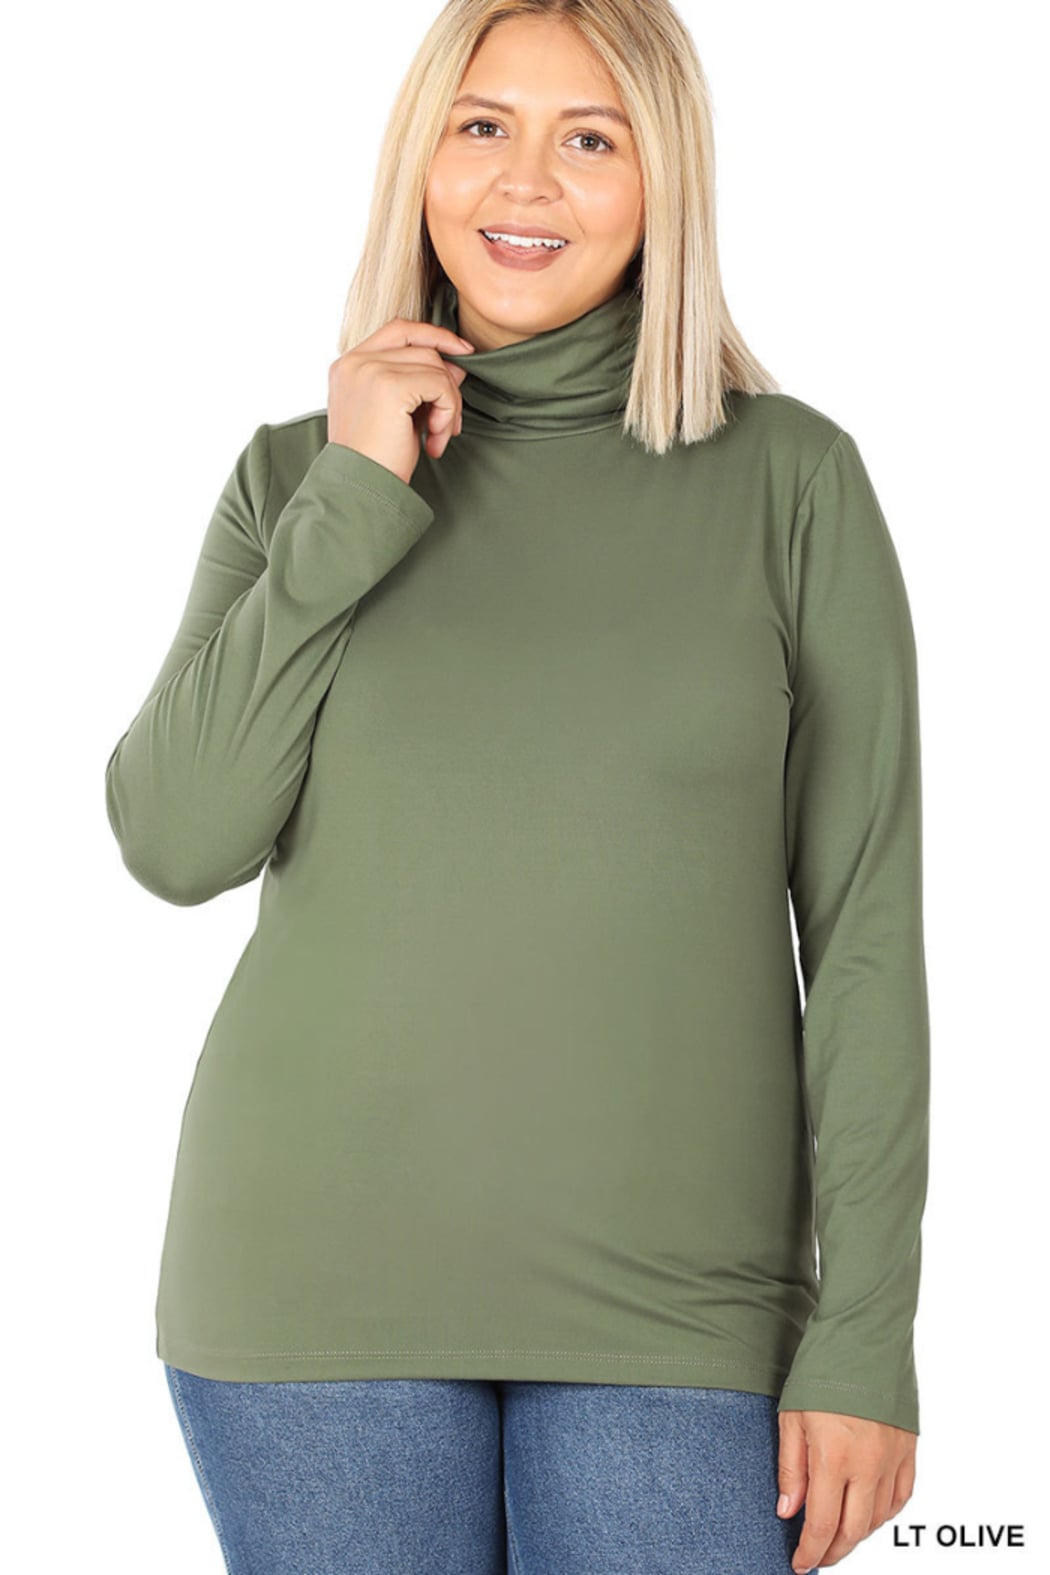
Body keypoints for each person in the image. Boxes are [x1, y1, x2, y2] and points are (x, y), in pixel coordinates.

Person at [103, 2, 930, 1571]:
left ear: (663, 183)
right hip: (310, 1288)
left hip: (683, 1307)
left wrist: (866, 1334)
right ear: (420, 158)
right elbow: (175, 838)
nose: (524, 181)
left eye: (589, 138)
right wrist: (356, 490)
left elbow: (866, 938)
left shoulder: (790, 481)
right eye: (481, 125)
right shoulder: (295, 476)